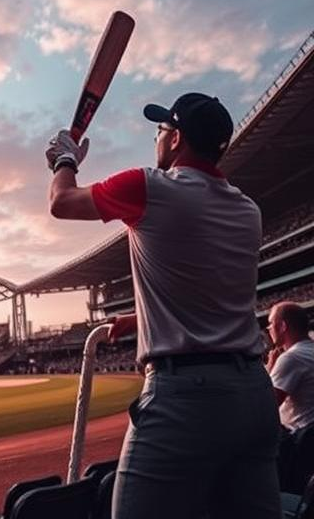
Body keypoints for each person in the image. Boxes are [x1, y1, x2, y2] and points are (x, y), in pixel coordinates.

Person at [45, 92, 281, 519]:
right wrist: (139, 318)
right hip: (253, 395)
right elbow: (212, 292)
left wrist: (66, 159)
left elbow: (61, 202)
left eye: (161, 129)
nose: (157, 137)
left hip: (185, 399)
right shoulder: (248, 210)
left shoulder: (148, 186)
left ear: (177, 140)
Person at [266, 301, 314, 431]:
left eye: (271, 323)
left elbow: (267, 406)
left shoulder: (291, 358)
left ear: (282, 326)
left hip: (303, 437)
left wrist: (270, 368)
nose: (268, 328)